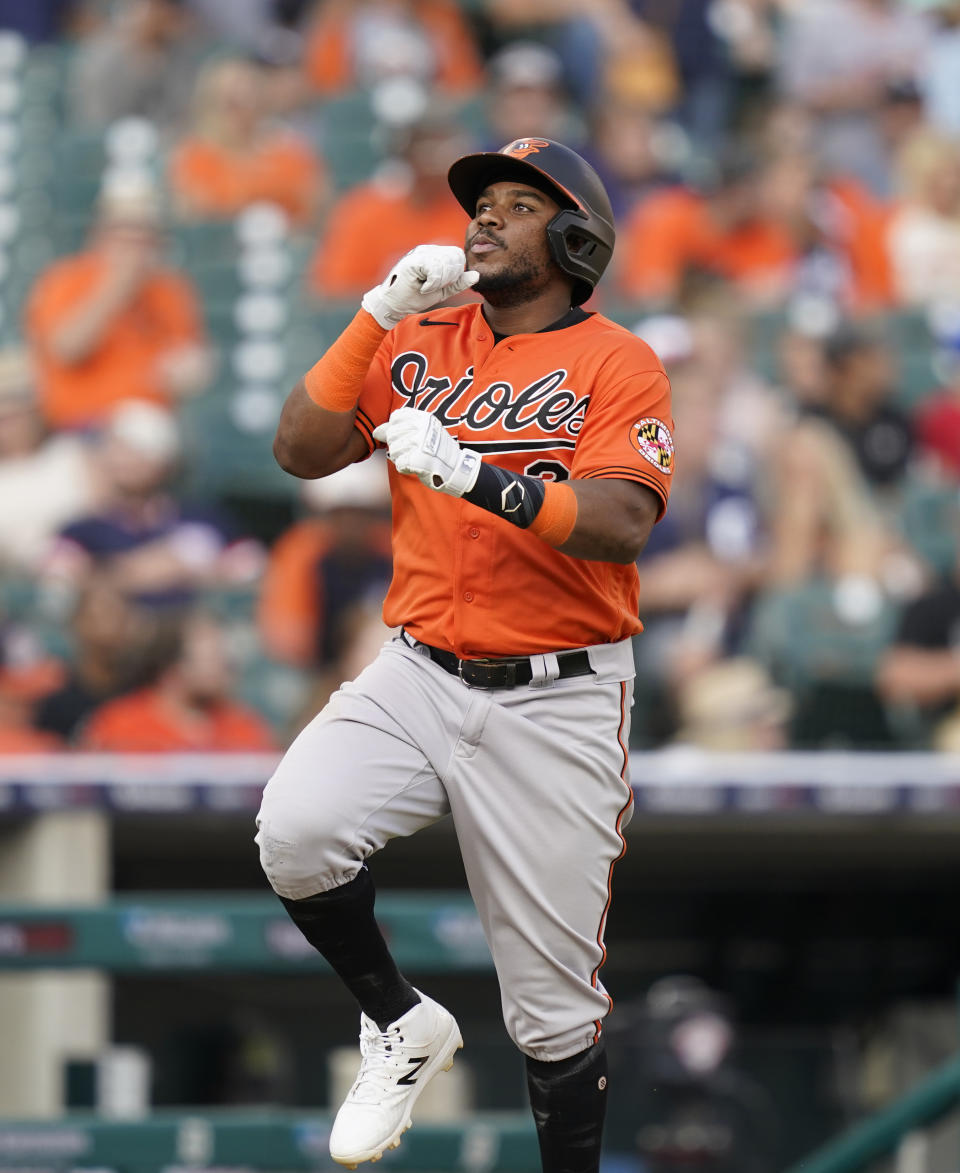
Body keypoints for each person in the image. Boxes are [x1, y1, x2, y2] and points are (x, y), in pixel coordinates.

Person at [255, 137, 674, 1172]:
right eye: (482, 201)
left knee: (551, 1014)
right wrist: (374, 313)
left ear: (576, 238)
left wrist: (483, 480)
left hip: (559, 694)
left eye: (519, 204)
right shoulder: (421, 336)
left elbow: (621, 521)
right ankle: (401, 1023)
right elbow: (301, 452)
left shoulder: (619, 359)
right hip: (421, 664)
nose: (484, 218)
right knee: (298, 832)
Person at [24, 177, 212, 430]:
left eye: (143, 239)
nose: (134, 250)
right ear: (98, 236)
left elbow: (189, 362)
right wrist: (117, 286)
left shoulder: (170, 289)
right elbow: (67, 349)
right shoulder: (65, 279)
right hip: (75, 424)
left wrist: (190, 371)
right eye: (123, 238)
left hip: (149, 423)